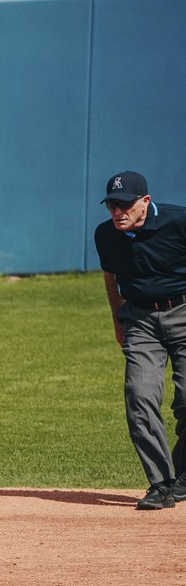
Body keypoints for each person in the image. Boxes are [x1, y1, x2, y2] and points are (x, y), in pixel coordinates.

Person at [94, 170, 186, 510]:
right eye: (112, 205)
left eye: (125, 204)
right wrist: (117, 318)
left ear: (145, 201)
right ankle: (160, 484)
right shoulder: (105, 235)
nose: (118, 212)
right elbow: (111, 277)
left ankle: (183, 472)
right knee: (140, 396)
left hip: (183, 312)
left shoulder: (178, 221)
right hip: (139, 321)